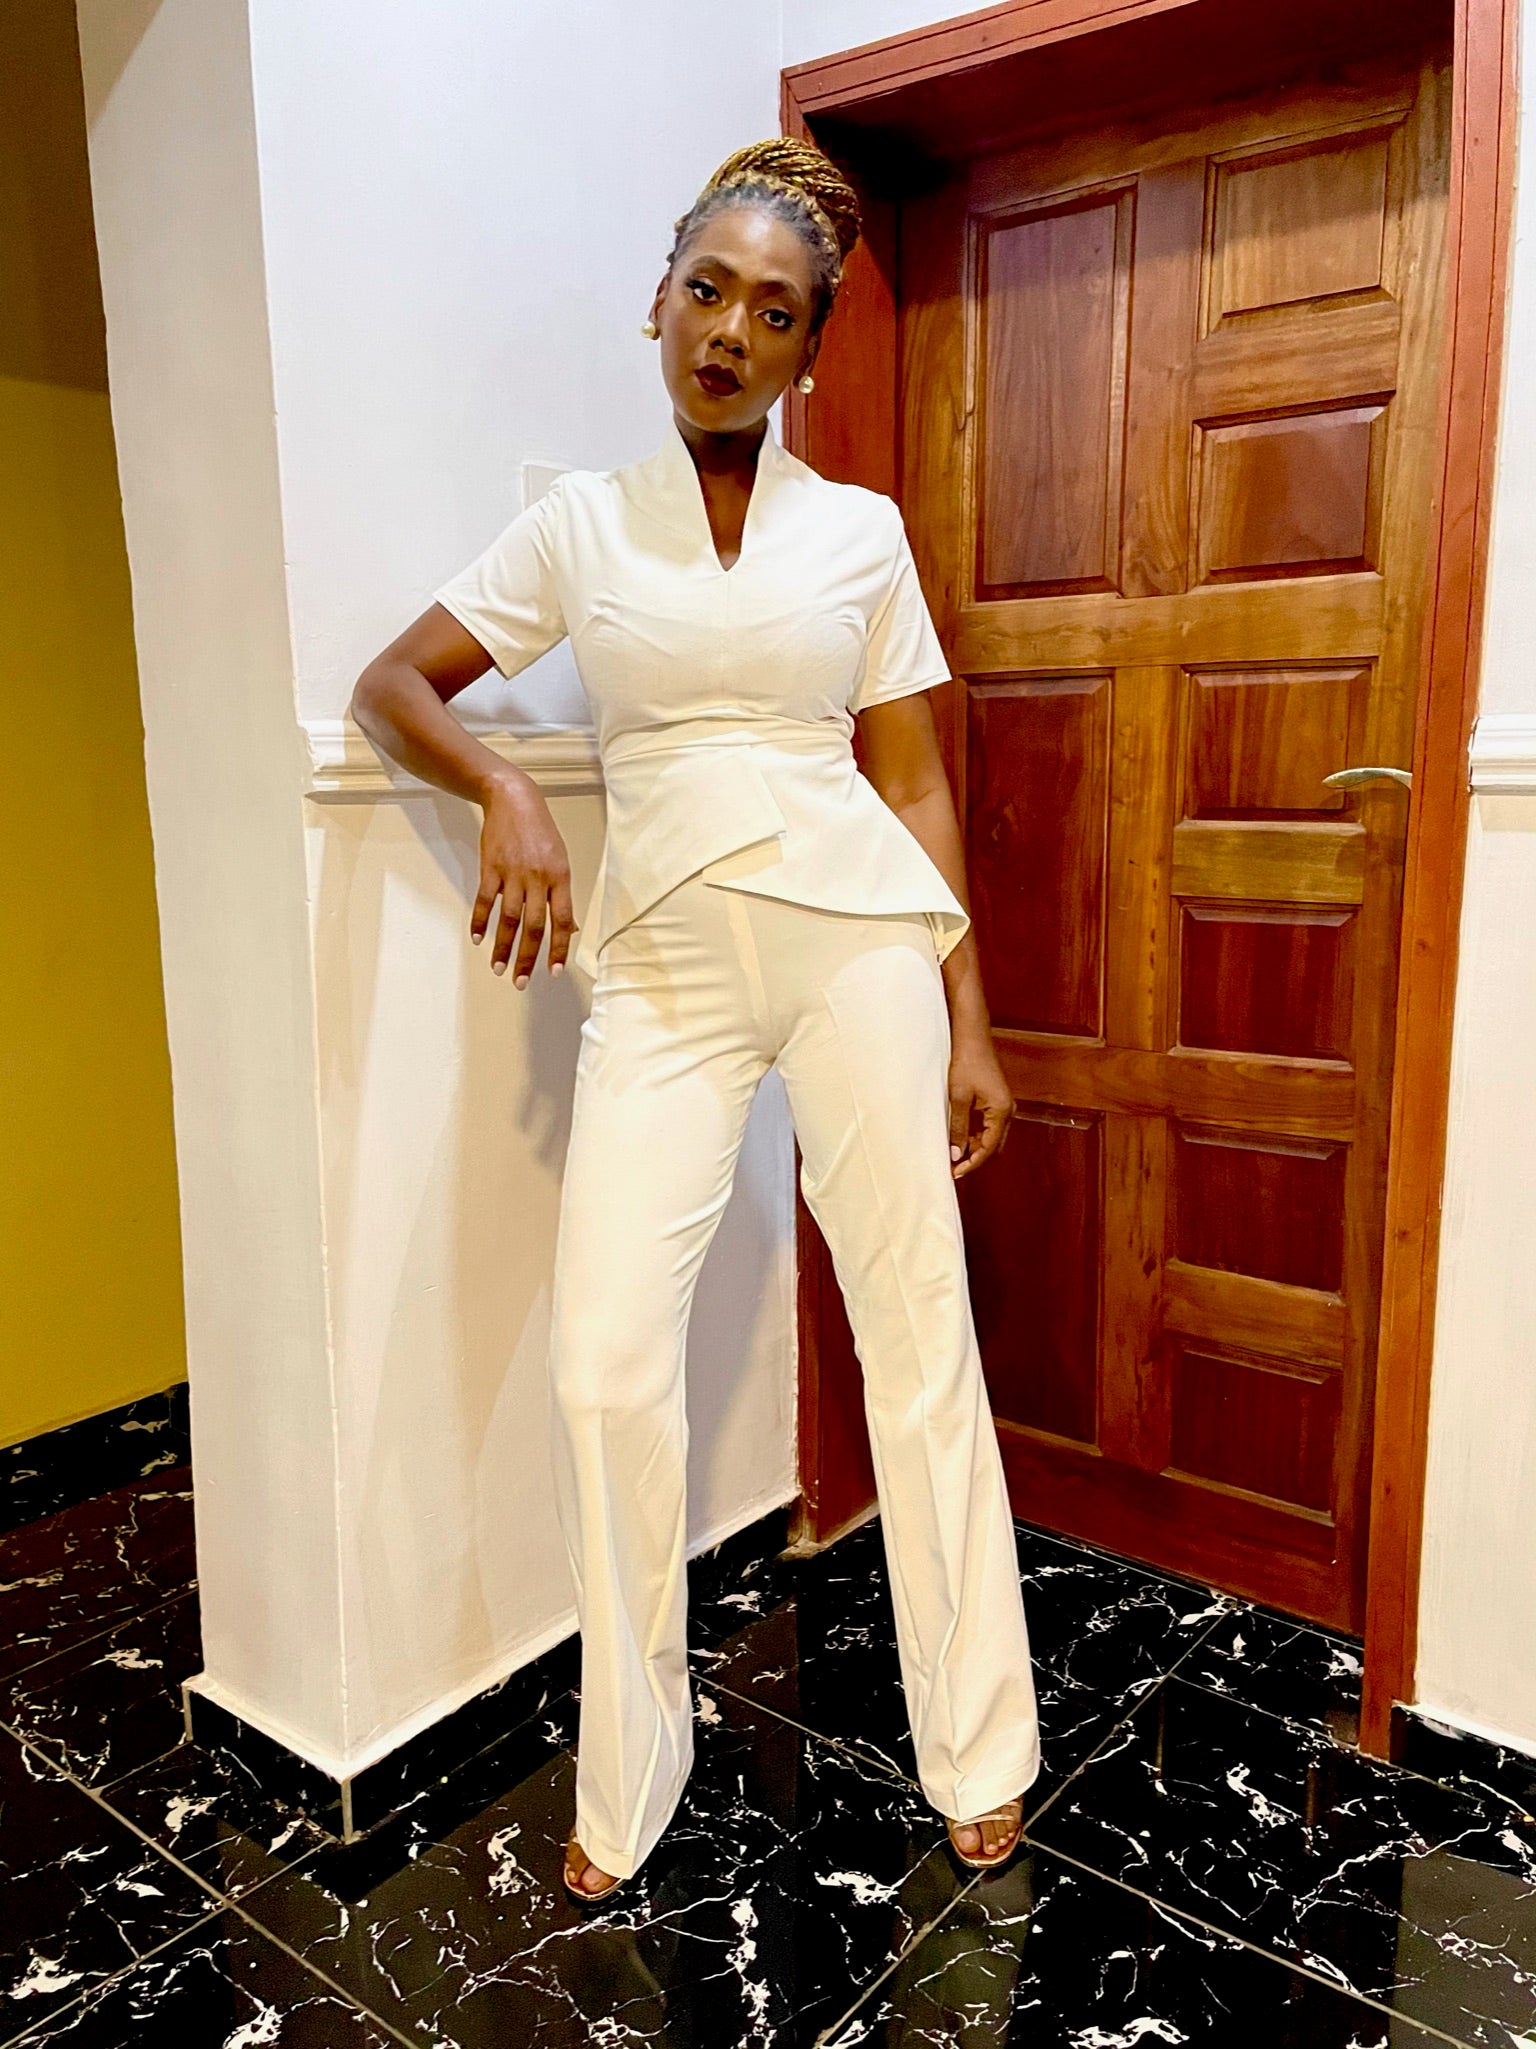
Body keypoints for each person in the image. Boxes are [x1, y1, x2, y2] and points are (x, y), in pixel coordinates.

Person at [350, 137, 1041, 1904]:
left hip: (858, 945)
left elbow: (915, 779)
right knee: (603, 1362)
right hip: (659, 963)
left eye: (775, 311)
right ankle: (631, 1761)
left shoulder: (862, 533)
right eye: (708, 290)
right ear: (657, 299)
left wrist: (967, 1012)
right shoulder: (579, 527)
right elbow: (393, 683)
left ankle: (979, 1742)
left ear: (810, 350)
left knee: (917, 1333)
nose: (731, 330)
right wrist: (507, 786)